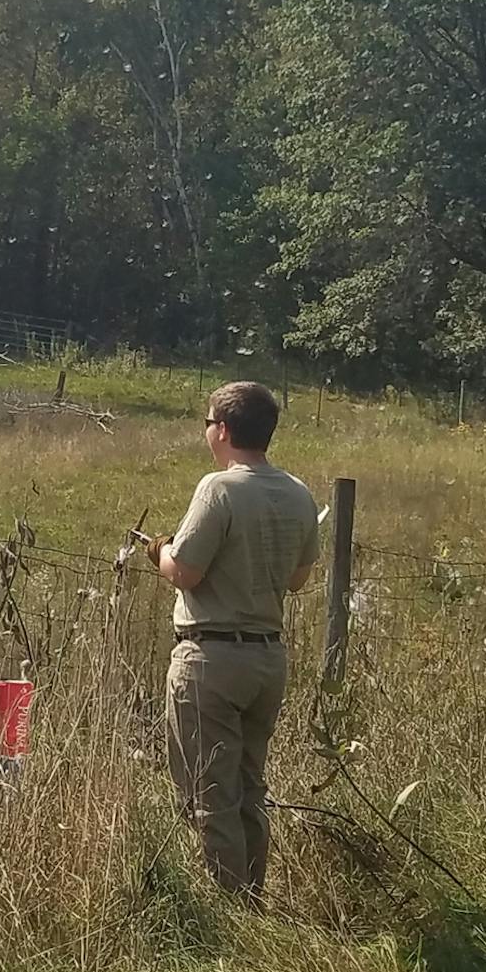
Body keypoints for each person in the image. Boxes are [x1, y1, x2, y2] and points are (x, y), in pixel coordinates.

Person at [148, 381, 320, 900]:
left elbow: (186, 571)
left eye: (207, 421)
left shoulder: (218, 488)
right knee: (248, 786)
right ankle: (253, 894)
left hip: (211, 657)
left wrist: (157, 551)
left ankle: (228, 908)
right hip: (268, 657)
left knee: (208, 789)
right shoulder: (297, 492)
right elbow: (298, 579)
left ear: (222, 429)